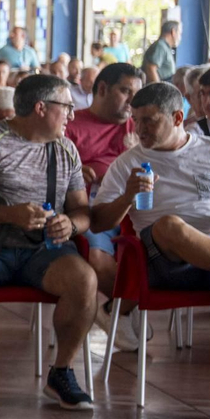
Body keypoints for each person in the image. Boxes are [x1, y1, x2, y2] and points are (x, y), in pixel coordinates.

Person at [91, 82, 210, 419]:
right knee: (171, 225)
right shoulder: (129, 163)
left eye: (149, 121)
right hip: (166, 261)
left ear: (178, 117)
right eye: (136, 120)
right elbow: (98, 222)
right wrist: (126, 197)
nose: (140, 129)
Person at [0, 74, 96, 411]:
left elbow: (82, 211)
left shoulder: (65, 149)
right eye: (67, 106)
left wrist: (71, 225)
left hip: (44, 250)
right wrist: (10, 214)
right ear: (41, 108)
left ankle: (62, 370)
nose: (72, 114)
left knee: (84, 281)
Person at [64, 61, 143, 334]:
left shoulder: (140, 127)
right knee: (97, 259)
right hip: (92, 213)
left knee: (167, 254)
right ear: (102, 89)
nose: (132, 102)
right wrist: (73, 174)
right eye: (125, 91)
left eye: (136, 95)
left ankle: (119, 311)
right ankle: (123, 311)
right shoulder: (71, 127)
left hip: (140, 211)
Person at [142, 19, 180, 84]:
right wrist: (159, 89)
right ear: (173, 32)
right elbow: (151, 68)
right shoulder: (160, 46)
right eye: (179, 33)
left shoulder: (165, 47)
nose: (180, 37)